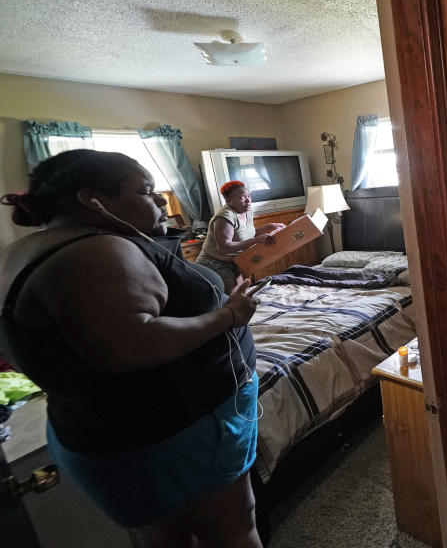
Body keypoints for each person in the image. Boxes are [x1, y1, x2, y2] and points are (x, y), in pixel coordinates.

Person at [0, 150, 263, 547]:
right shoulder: (97, 251)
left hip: (106, 432)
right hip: (173, 435)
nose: (159, 200)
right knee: (233, 530)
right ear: (93, 200)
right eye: (145, 191)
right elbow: (130, 344)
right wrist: (231, 315)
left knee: (165, 536)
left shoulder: (26, 250)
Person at [195, 180, 285, 293]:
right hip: (215, 264)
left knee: (242, 291)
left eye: (248, 196)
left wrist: (270, 226)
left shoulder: (246, 211)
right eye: (242, 198)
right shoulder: (224, 218)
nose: (248, 200)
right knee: (234, 296)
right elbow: (224, 248)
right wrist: (256, 240)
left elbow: (247, 234)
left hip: (235, 261)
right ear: (229, 200)